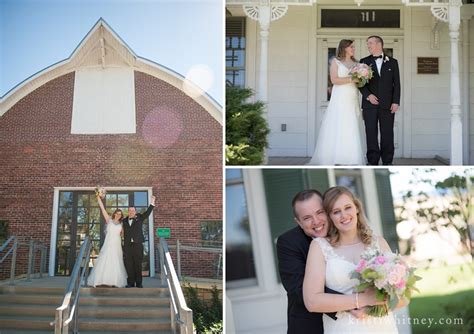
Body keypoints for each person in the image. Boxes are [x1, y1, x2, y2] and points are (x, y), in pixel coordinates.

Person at [303, 186, 408, 333]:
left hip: (382, 327)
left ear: (357, 208)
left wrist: (371, 310)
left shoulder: (378, 242)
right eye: (336, 212)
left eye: (348, 207)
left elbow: (403, 296)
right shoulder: (319, 247)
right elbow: (312, 302)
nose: (344, 215)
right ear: (330, 217)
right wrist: (363, 300)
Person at [277, 189, 362, 334]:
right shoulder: (288, 242)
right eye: (307, 217)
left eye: (320, 212)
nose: (316, 221)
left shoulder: (344, 232)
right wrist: (353, 303)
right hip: (310, 326)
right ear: (298, 222)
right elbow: (298, 289)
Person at [308, 39, 365, 165]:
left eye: (353, 47)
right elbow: (334, 80)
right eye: (351, 47)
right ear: (344, 48)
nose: (353, 49)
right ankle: (335, 157)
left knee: (352, 125)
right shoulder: (336, 62)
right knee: (340, 124)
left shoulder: (357, 63)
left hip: (352, 96)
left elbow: (360, 82)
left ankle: (351, 158)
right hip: (340, 96)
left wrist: (361, 79)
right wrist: (352, 79)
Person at [359, 35, 401, 165]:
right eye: (368, 44)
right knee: (370, 133)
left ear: (379, 44)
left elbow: (397, 84)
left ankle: (388, 161)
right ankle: (372, 161)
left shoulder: (393, 62)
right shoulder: (364, 61)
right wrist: (368, 96)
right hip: (369, 105)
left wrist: (396, 102)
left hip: (388, 105)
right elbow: (360, 83)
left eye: (370, 43)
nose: (368, 46)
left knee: (387, 133)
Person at [87, 194, 127, 288]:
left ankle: (115, 281)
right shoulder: (109, 220)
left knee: (116, 261)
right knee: (105, 259)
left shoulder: (121, 224)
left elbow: (123, 235)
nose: (118, 215)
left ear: (121, 216)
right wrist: (98, 197)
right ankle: (100, 280)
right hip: (108, 243)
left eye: (120, 214)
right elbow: (102, 209)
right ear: (114, 214)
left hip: (117, 244)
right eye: (117, 213)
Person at [122, 195, 156, 288]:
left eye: (133, 210)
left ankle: (139, 283)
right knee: (129, 265)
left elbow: (147, 213)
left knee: (138, 264)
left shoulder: (140, 217)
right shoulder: (124, 221)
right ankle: (130, 283)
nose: (131, 212)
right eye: (130, 210)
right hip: (128, 246)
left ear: (135, 212)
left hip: (138, 245)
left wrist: (152, 202)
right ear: (128, 212)